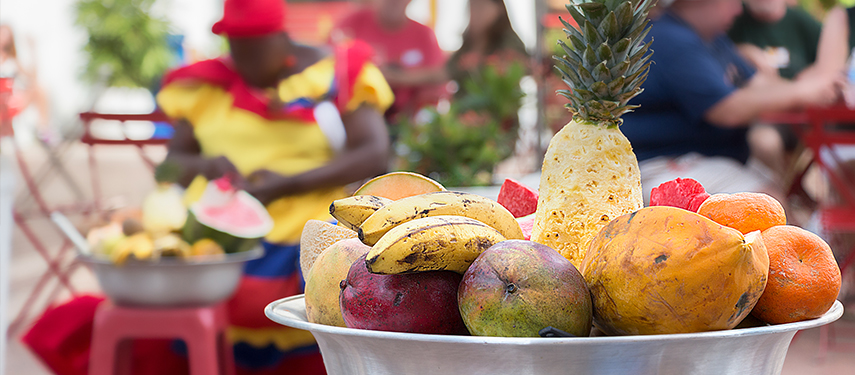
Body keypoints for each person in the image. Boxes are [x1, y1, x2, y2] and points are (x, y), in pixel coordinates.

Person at [156, 0, 393, 373]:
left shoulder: (338, 74)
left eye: (254, 50)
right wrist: (206, 164)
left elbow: (374, 152)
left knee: (323, 289)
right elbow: (169, 166)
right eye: (236, 49)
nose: (244, 63)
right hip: (217, 236)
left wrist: (289, 185)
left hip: (312, 223)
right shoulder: (203, 85)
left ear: (281, 37)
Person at [619, 0, 840, 204]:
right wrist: (803, 92)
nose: (738, 9)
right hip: (660, 165)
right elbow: (727, 109)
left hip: (703, 159)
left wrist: (815, 87)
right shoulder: (671, 39)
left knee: (774, 200)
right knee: (766, 203)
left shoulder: (711, 39)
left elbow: (760, 84)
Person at [726, 0, 848, 181]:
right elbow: (712, 49)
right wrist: (742, 51)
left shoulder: (802, 22)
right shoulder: (733, 19)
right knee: (763, 141)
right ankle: (776, 199)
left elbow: (830, 63)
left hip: (804, 113)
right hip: (759, 115)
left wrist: (808, 79)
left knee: (838, 145)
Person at [333, 0, 445, 125]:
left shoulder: (424, 35)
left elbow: (441, 74)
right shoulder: (353, 22)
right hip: (355, 119)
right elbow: (327, 64)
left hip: (408, 123)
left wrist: (396, 77)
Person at [0, 24, 54, 144]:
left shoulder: (12, 59)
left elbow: (32, 79)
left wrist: (33, 51)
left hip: (11, 102)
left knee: (39, 89)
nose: (3, 38)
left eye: (7, 35)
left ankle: (43, 129)